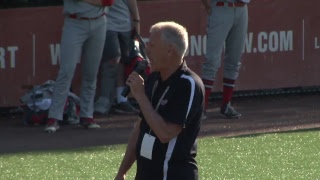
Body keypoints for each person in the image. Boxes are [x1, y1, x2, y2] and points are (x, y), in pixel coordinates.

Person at [115, 22, 204, 180]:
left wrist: (140, 96)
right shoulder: (153, 79)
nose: (147, 50)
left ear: (170, 49)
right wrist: (122, 171)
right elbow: (140, 128)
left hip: (172, 174)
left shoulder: (188, 84)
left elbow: (165, 133)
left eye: (152, 45)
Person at [44, 0, 113, 133]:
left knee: (91, 72)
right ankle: (54, 117)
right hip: (75, 22)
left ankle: (87, 115)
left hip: (99, 21)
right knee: (66, 71)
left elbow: (108, 1)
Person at [201, 0, 250, 118]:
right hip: (221, 7)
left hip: (242, 9)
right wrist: (206, 4)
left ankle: (226, 105)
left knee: (234, 60)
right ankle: (202, 108)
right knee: (211, 61)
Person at [94, 0, 140, 115]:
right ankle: (104, 100)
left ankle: (121, 100)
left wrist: (136, 20)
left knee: (123, 63)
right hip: (106, 24)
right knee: (112, 60)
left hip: (125, 25)